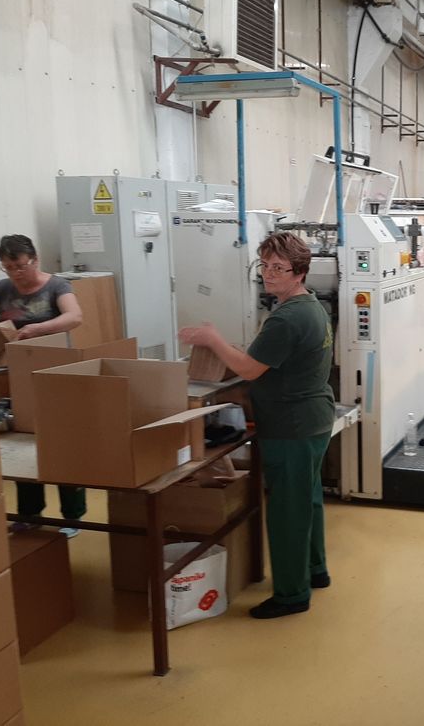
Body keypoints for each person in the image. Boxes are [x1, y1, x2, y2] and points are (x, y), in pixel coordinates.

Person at [179, 232, 335, 620]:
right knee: (307, 501)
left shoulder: (287, 318)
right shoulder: (310, 306)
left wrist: (213, 339)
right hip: (312, 419)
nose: (269, 273)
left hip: (292, 427)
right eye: (264, 265)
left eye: (278, 267)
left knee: (287, 513)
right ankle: (315, 570)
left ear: (299, 272)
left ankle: (292, 594)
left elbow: (249, 369)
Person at [0, 234, 86, 537]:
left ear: (35, 259)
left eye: (20, 265)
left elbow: (75, 317)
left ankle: (73, 517)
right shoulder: (2, 289)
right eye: (8, 267)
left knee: (62, 443)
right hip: (17, 376)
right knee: (22, 443)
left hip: (56, 374)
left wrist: (38, 328)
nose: (15, 273)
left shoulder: (57, 286)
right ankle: (29, 514)